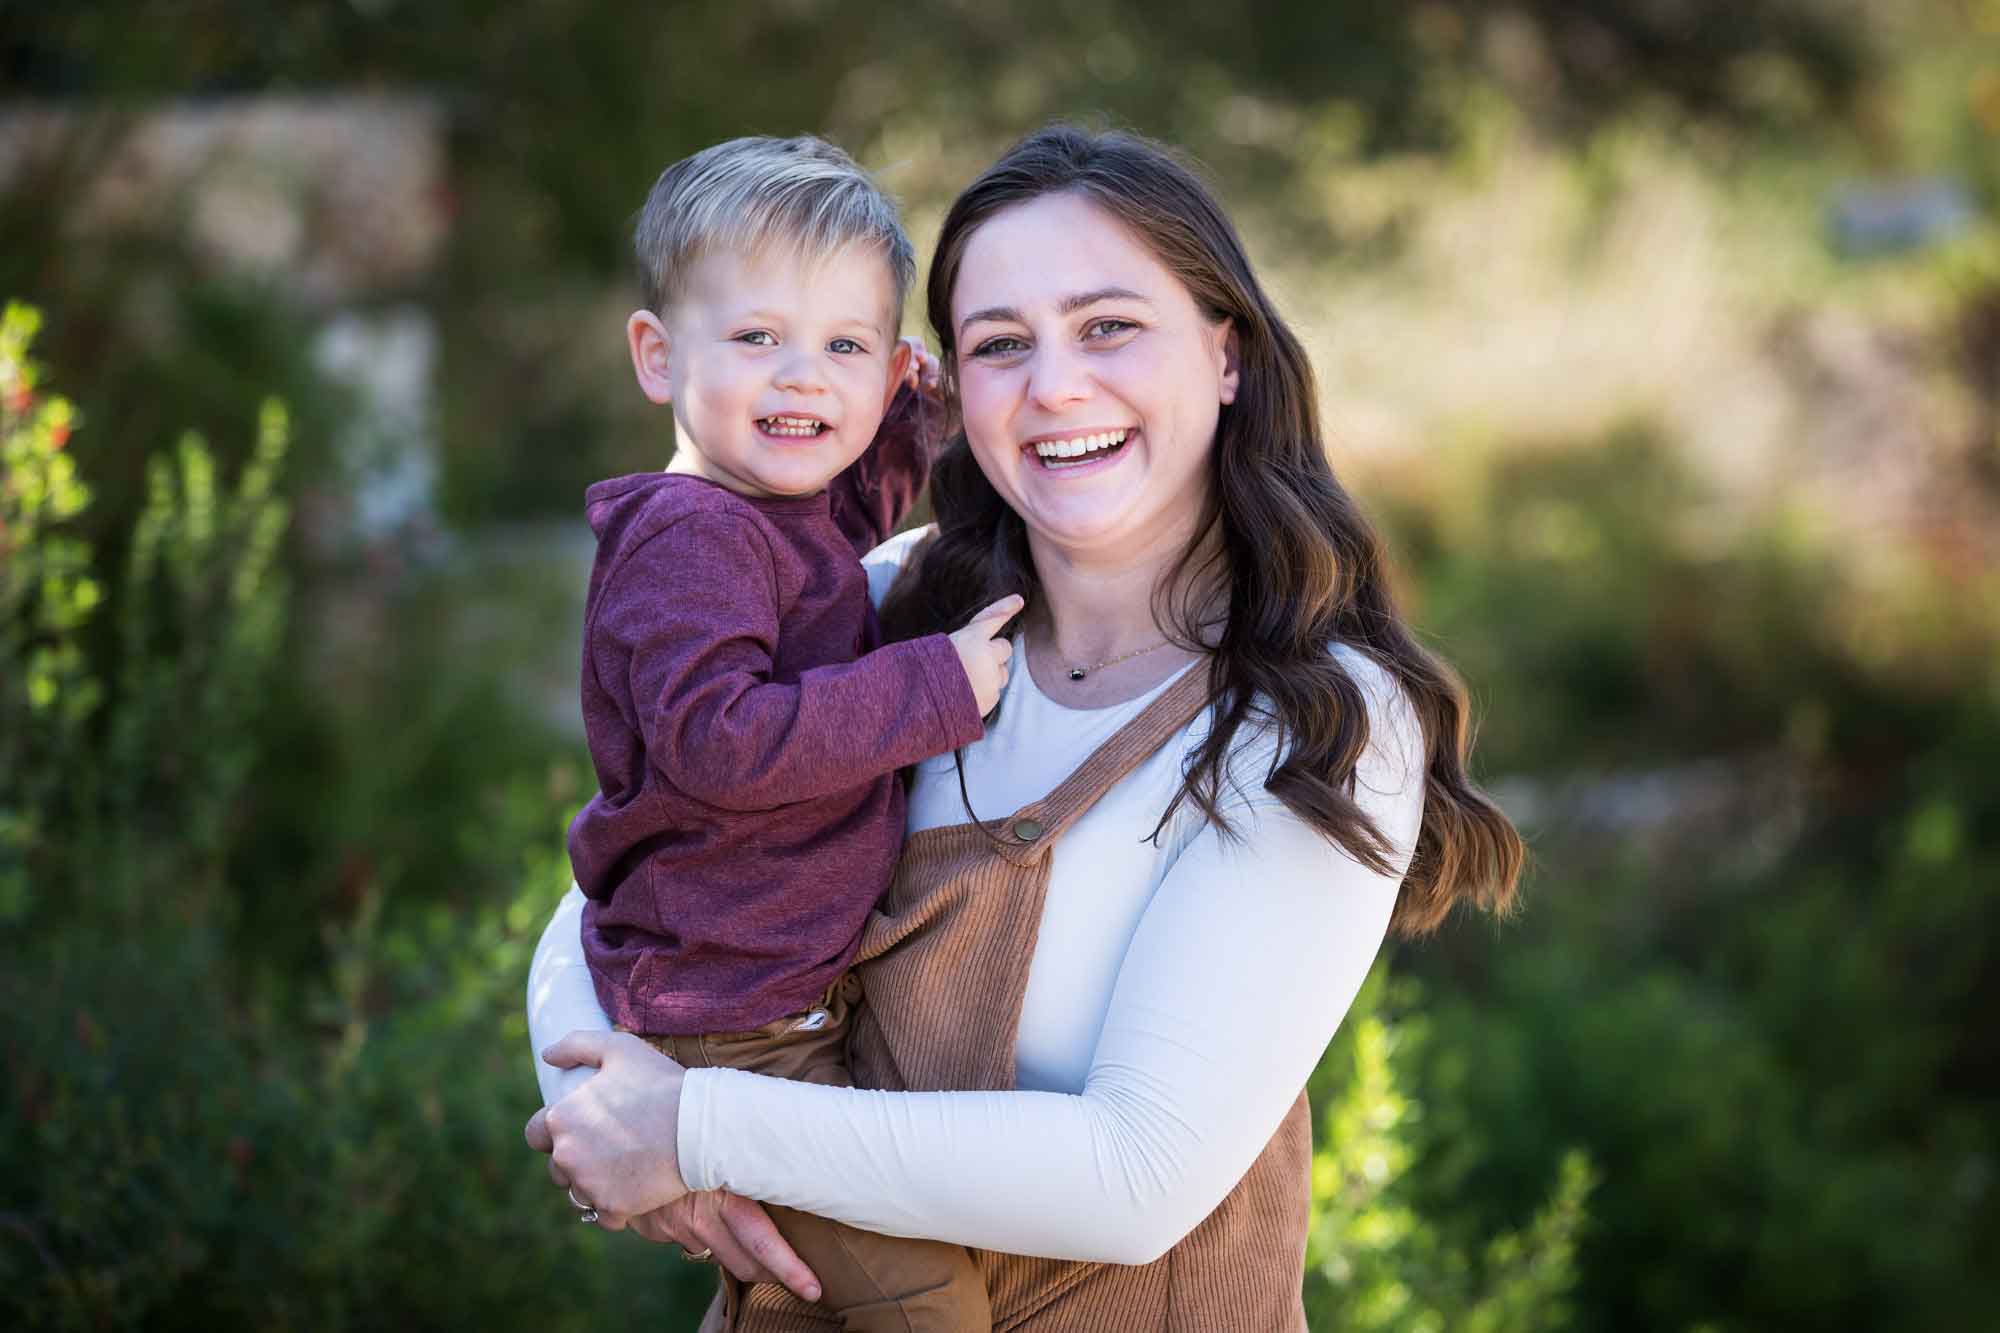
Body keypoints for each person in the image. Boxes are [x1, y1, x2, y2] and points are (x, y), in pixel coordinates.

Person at [527, 124, 1524, 1332]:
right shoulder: (901, 606)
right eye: (1001, 344)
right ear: (945, 385)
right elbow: (616, 895)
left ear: (1224, 353)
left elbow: (1133, 1177)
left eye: (1107, 325)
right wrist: (608, 1121)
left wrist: (694, 1128)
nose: (1054, 385)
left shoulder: (1315, 718)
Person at [561, 133, 1018, 1331]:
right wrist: (931, 686)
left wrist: (909, 417)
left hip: (766, 993)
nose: (803, 379)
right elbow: (719, 738)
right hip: (730, 1024)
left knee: (792, 1303)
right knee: (925, 1303)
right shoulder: (688, 539)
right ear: (658, 357)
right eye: (758, 338)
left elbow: (841, 524)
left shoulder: (767, 514)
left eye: (845, 347)